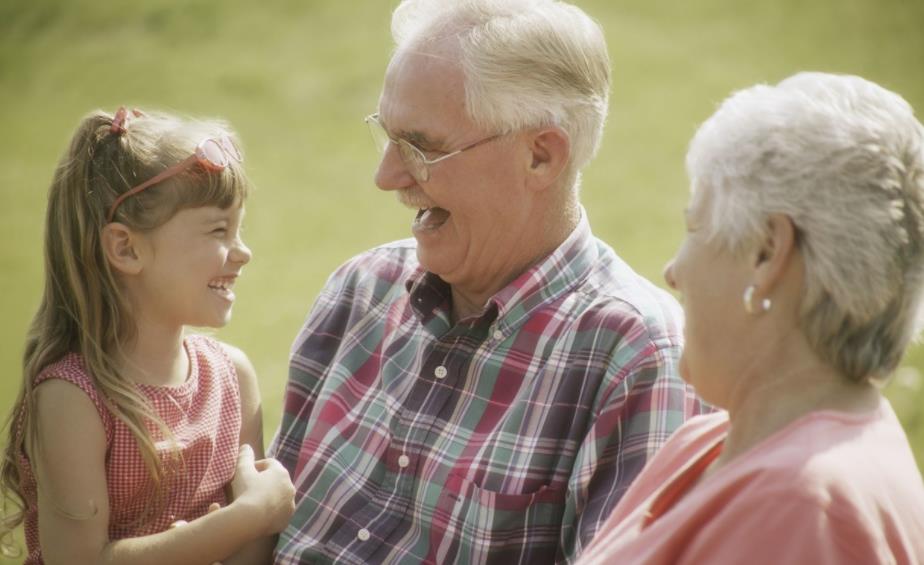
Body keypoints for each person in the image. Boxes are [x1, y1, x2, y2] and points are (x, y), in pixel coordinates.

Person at [269, 0, 708, 562]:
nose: (387, 177)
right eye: (387, 136)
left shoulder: (638, 357)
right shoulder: (362, 289)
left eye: (422, 147)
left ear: (541, 157)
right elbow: (264, 527)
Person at [579, 72, 924, 564]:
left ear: (766, 253)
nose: (672, 271)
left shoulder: (804, 507)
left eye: (694, 226)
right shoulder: (704, 441)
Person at [0, 107, 295, 565]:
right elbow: (79, 560)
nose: (244, 252)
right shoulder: (72, 399)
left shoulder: (233, 378)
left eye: (240, 228)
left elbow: (251, 555)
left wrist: (248, 526)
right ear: (126, 248)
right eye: (219, 229)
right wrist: (248, 517)